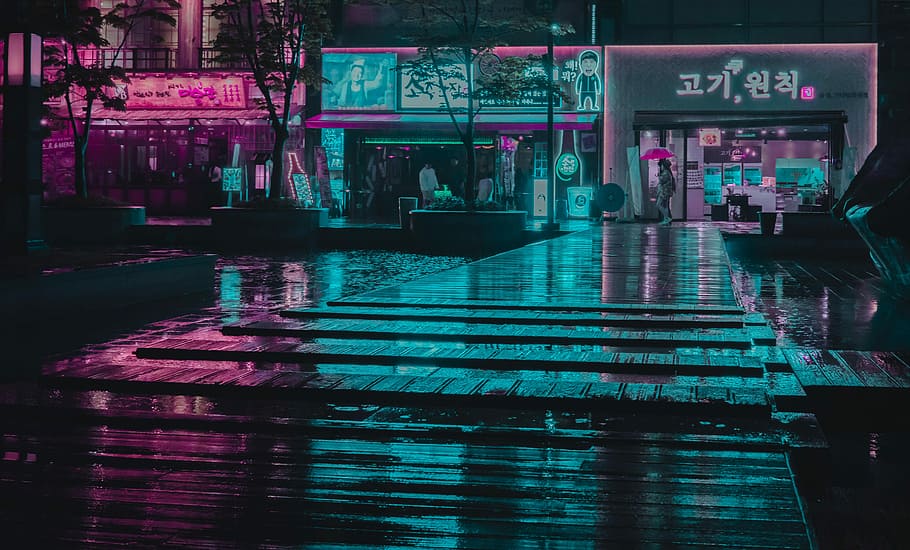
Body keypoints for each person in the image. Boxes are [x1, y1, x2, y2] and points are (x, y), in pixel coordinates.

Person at [656, 158, 676, 225]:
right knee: (665, 206)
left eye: (661, 166)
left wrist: (659, 175)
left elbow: (661, 181)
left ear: (664, 166)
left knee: (658, 205)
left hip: (664, 192)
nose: (661, 167)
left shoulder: (665, 173)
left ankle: (667, 218)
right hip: (667, 192)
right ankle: (666, 219)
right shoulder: (668, 173)